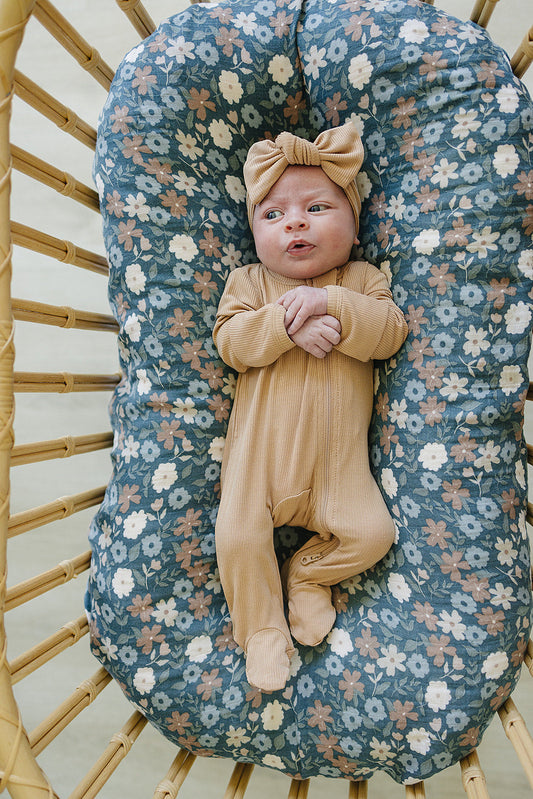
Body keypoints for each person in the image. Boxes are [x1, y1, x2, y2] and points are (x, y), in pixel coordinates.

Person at [213, 123, 408, 692]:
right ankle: (263, 630)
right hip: (259, 462)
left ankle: (308, 574)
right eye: (273, 215)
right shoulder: (249, 283)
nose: (294, 223)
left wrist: (328, 302)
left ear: (354, 226)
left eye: (317, 208)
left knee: (373, 534)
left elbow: (389, 334)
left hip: (337, 467)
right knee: (237, 536)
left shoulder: (361, 280)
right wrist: (286, 322)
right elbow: (230, 343)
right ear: (254, 233)